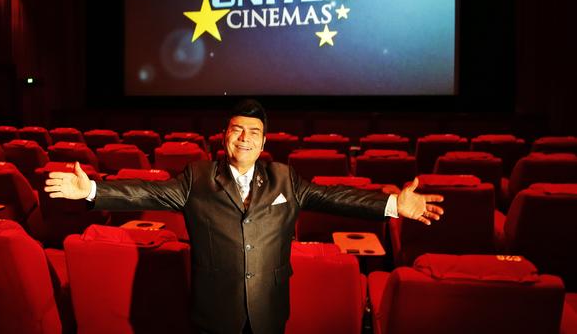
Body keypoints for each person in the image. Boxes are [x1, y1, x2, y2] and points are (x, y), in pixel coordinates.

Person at [44, 99, 444, 334]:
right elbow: (149, 192)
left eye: (254, 131)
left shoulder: (285, 178)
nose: (245, 137)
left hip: (269, 305)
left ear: (264, 141)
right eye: (237, 130)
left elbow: (334, 197)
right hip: (214, 309)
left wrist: (392, 204)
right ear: (225, 136)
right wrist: (93, 190)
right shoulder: (197, 177)